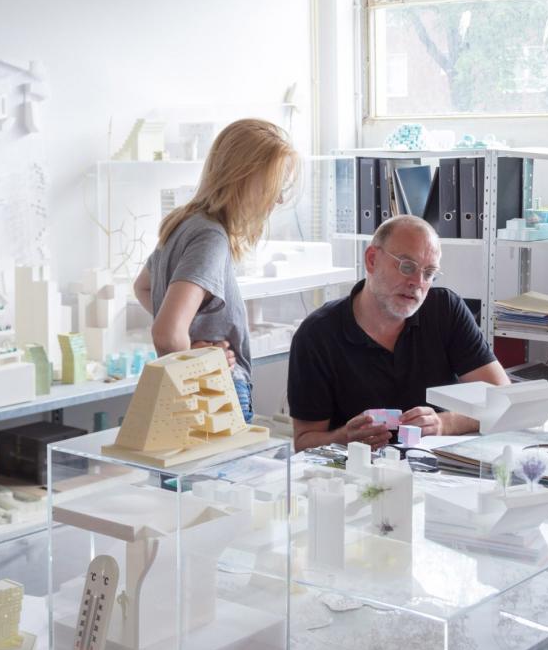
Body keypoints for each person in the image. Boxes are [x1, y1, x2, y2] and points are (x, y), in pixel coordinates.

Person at [287, 214, 510, 452]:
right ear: (372, 260)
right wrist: (345, 438)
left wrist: (444, 423)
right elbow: (304, 442)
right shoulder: (318, 335)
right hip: (357, 474)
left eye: (429, 273)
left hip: (439, 467)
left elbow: (503, 400)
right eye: (407, 266)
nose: (417, 282)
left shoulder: (444, 310)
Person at [133, 118, 298, 422]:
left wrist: (189, 335)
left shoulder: (184, 223)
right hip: (214, 390)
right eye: (275, 185)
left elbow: (143, 287)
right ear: (244, 177)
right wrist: (197, 362)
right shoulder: (211, 237)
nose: (279, 198)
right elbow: (167, 333)